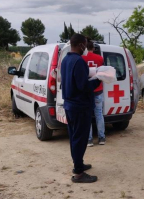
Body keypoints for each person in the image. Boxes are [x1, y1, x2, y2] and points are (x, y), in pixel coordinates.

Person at [61, 34, 100, 183]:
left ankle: (79, 164)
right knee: (80, 139)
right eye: (85, 43)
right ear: (80, 45)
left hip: (70, 105)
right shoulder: (78, 61)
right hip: (79, 106)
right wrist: (98, 79)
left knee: (75, 137)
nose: (87, 46)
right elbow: (83, 86)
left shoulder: (66, 60)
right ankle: (78, 173)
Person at [82, 38, 106, 147]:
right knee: (99, 114)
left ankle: (89, 140)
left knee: (87, 116)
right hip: (98, 90)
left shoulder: (81, 58)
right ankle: (101, 138)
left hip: (86, 90)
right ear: (93, 48)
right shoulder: (100, 58)